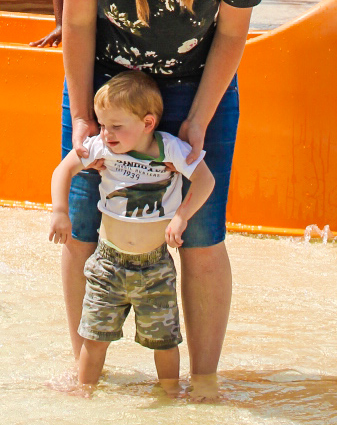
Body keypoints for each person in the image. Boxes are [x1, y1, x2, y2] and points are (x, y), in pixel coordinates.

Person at [53, 0, 262, 392]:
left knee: (199, 232)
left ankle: (204, 379)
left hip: (198, 84)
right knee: (83, 224)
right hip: (106, 88)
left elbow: (233, 35)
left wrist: (197, 120)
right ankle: (83, 369)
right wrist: (81, 115)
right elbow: (76, 20)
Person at [50, 69, 215, 391]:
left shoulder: (171, 149)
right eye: (102, 124)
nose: (106, 133)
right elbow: (62, 170)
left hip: (155, 266)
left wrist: (182, 216)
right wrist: (59, 212)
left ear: (148, 123)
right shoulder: (101, 147)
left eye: (116, 126)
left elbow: (206, 180)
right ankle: (84, 392)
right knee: (94, 337)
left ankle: (170, 393)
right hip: (107, 263)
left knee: (165, 342)